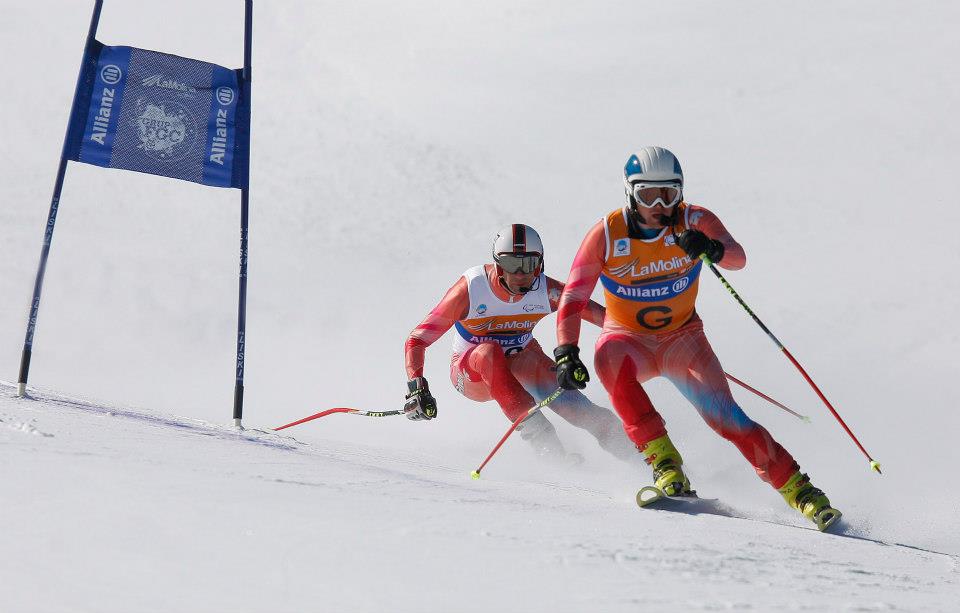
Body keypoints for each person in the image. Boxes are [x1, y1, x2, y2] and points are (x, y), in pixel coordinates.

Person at [552, 146, 838, 528]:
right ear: (629, 194)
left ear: (681, 191)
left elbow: (738, 258)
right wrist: (566, 351)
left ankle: (801, 492)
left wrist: (711, 248)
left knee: (727, 420)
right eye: (647, 195)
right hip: (628, 339)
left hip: (681, 340)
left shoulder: (695, 220)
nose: (659, 204)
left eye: (668, 194)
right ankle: (665, 464)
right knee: (608, 357)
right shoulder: (606, 233)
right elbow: (572, 298)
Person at [403, 224, 637, 463]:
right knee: (488, 352)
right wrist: (417, 388)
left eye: (529, 265)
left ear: (540, 265)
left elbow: (604, 318)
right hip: (471, 374)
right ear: (497, 265)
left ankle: (640, 452)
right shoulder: (471, 289)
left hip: (520, 359)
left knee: (578, 408)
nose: (520, 274)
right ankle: (547, 446)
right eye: (511, 265)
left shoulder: (547, 290)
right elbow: (418, 339)